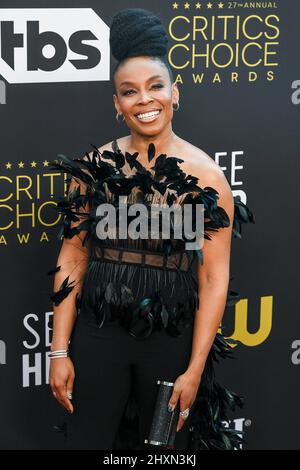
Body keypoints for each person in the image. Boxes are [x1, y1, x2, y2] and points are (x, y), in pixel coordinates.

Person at [47, 8, 254, 450]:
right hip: (99, 334)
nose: (144, 100)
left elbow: (214, 278)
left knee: (161, 449)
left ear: (174, 93)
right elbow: (73, 256)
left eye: (155, 86)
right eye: (129, 91)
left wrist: (195, 368)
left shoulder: (207, 178)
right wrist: (59, 350)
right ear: (116, 103)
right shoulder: (94, 169)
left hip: (169, 344)